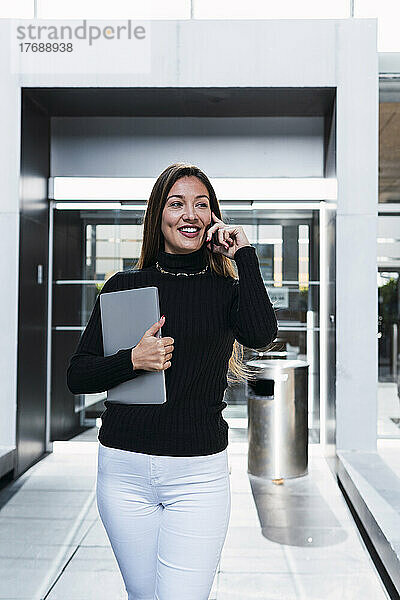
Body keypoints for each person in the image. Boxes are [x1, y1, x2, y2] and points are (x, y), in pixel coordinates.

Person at [66, 162, 278, 600]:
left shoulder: (226, 289)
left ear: (214, 218)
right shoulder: (123, 286)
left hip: (197, 475)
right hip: (123, 470)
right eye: (176, 203)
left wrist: (245, 254)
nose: (190, 214)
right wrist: (132, 360)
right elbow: (77, 374)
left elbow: (261, 333)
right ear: (157, 216)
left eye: (202, 205)